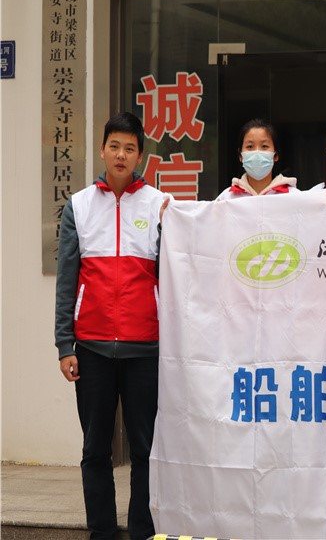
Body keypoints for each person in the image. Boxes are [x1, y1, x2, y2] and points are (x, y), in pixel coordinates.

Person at [55, 112, 168, 540]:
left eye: (130, 148)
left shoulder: (159, 205)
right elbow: (67, 279)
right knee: (95, 450)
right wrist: (65, 344)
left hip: (145, 349)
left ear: (141, 156)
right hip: (91, 349)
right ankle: (101, 532)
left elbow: (171, 280)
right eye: (115, 146)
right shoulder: (79, 206)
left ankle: (143, 533)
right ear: (102, 150)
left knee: (146, 451)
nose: (121, 155)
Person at [216, 118, 298, 199]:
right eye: (250, 146)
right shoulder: (226, 198)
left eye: (264, 146)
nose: (257, 152)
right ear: (240, 156)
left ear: (275, 155)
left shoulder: (293, 197)